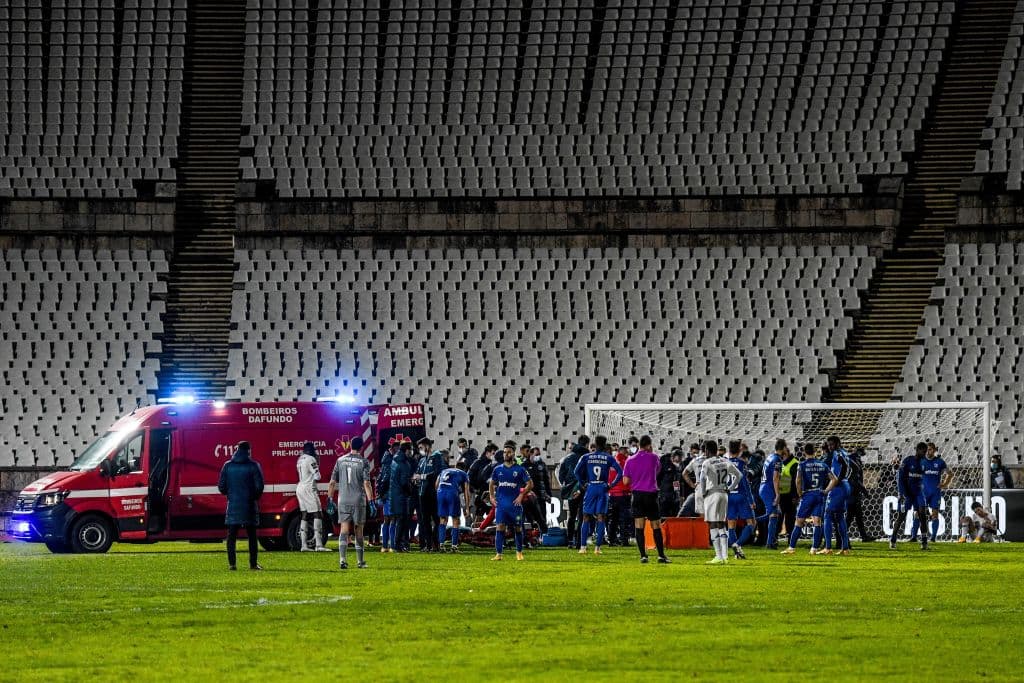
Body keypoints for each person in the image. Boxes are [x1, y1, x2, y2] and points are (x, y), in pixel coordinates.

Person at [217, 440, 264, 571]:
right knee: (252, 536)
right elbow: (260, 486)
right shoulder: (254, 466)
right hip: (249, 505)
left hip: (233, 505)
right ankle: (253, 564)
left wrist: (231, 495)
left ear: (237, 449)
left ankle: (232, 564)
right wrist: (253, 497)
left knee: (231, 536)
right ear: (248, 450)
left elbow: (221, 487)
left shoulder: (227, 466)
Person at [623, 435, 670, 564]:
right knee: (656, 525)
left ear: (639, 445)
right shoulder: (654, 458)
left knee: (639, 526)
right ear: (649, 445)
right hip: (651, 494)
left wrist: (636, 478)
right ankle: (661, 556)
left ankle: (643, 556)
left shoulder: (630, 460)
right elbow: (657, 471)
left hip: (637, 494)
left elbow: (625, 481)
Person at [572, 435, 623, 555]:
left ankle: (583, 547)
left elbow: (576, 471)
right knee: (601, 517)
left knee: (585, 516)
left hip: (591, 487)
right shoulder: (609, 458)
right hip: (603, 487)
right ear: (605, 445)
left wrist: (582, 483)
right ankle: (597, 548)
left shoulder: (586, 457)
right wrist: (611, 485)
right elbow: (620, 472)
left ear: (595, 444)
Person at [329, 436, 374, 569]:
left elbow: (332, 482)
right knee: (358, 530)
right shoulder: (363, 462)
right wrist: (371, 501)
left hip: (343, 499)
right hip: (358, 500)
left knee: (344, 529)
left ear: (350, 446)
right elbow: (366, 483)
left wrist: (330, 499)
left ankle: (342, 560)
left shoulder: (340, 460)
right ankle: (360, 562)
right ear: (361, 447)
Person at [781, 443, 829, 555]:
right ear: (815, 451)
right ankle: (814, 549)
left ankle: (791, 548)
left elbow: (797, 481)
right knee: (817, 522)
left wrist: (799, 494)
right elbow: (834, 479)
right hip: (819, 494)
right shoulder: (822, 464)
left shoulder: (802, 465)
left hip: (807, 495)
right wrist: (826, 490)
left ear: (804, 452)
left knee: (799, 522)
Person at [489, 440, 533, 561]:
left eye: (509, 452)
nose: (506, 454)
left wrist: (521, 496)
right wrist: (492, 497)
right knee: (500, 527)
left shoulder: (520, 469)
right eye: (504, 452)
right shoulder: (497, 469)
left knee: (518, 528)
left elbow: (530, 484)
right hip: (501, 505)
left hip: (515, 506)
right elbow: (492, 483)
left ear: (513, 454)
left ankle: (519, 552)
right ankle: (499, 554)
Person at [701, 439, 743, 565]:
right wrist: (730, 488)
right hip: (724, 494)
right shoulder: (725, 460)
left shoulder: (707, 462)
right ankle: (725, 556)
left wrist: (703, 492)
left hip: (712, 493)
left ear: (707, 450)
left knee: (713, 524)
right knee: (721, 524)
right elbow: (739, 475)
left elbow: (702, 479)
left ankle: (718, 556)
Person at [891, 443, 930, 551]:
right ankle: (893, 539)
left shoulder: (925, 463)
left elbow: (924, 478)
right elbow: (900, 478)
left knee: (923, 515)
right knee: (901, 517)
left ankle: (924, 541)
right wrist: (902, 493)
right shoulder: (908, 461)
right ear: (917, 450)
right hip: (907, 494)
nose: (924, 453)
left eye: (926, 451)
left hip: (918, 493)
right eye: (923, 451)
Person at [915, 442, 952, 543]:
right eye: (927, 449)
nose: (928, 451)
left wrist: (944, 484)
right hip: (923, 492)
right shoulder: (921, 461)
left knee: (934, 514)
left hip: (935, 492)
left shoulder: (940, 462)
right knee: (918, 514)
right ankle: (913, 537)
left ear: (935, 450)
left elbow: (950, 474)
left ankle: (933, 538)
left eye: (930, 449)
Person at [820, 436, 852, 556]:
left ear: (838, 443)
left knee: (827, 514)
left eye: (832, 444)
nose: (830, 447)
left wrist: (838, 479)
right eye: (829, 445)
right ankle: (845, 548)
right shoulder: (844, 452)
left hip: (839, 487)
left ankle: (828, 548)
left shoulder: (837, 453)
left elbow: (843, 465)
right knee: (839, 517)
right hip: (845, 486)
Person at [725, 440, 756, 560]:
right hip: (741, 496)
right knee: (751, 523)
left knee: (731, 525)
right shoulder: (742, 463)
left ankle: (736, 552)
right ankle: (737, 545)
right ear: (739, 450)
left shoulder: (724, 463)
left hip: (729, 496)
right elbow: (744, 483)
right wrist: (751, 500)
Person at [295, 441, 328, 552]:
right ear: (310, 450)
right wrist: (318, 462)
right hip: (309, 488)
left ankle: (304, 545)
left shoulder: (300, 459)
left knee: (304, 514)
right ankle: (319, 545)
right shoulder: (311, 459)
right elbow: (318, 476)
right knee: (317, 513)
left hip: (300, 487)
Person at [558, 435, 589, 549]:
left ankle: (570, 540)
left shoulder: (567, 458)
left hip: (571, 489)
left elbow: (560, 475)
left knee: (571, 515)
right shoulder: (587, 457)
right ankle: (579, 542)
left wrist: (567, 485)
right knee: (582, 516)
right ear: (586, 445)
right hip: (583, 489)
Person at [436, 452, 471, 552]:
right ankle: (454, 547)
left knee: (442, 520)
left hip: (440, 493)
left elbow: (436, 485)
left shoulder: (444, 470)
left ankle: (441, 545)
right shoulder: (464, 474)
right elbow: (466, 491)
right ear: (464, 469)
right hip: (452, 493)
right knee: (456, 520)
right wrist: (467, 508)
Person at [415, 438, 444, 552]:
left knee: (436, 519)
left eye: (421, 447)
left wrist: (423, 477)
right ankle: (428, 545)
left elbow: (438, 472)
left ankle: (435, 543)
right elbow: (417, 472)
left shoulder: (437, 457)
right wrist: (415, 479)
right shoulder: (422, 460)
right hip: (422, 493)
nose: (420, 450)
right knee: (424, 520)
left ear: (427, 446)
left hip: (433, 493)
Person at [388, 442, 415, 552]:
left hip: (394, 494)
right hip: (401, 496)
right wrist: (410, 491)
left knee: (398, 520)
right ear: (407, 450)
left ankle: (397, 544)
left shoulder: (395, 460)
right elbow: (404, 482)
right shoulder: (404, 463)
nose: (412, 452)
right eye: (411, 450)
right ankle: (398, 545)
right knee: (402, 520)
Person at [758, 441, 785, 549]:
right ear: (782, 448)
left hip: (764, 487)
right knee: (773, 515)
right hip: (768, 489)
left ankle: (771, 540)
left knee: (776, 513)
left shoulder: (770, 456)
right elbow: (775, 477)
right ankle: (770, 543)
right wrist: (778, 494)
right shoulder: (777, 460)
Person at [846, 447, 873, 542]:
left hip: (853, 491)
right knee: (850, 516)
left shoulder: (851, 459)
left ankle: (864, 536)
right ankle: (841, 536)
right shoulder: (854, 461)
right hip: (853, 492)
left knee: (858, 516)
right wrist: (865, 491)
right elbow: (856, 479)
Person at [607, 443, 632, 545]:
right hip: (623, 493)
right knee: (624, 518)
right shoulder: (627, 461)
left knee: (613, 519)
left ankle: (611, 540)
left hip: (612, 494)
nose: (627, 452)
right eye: (626, 450)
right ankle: (624, 540)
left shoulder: (611, 461)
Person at [377, 440, 398, 553]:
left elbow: (381, 479)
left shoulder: (385, 461)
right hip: (390, 493)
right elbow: (388, 479)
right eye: (397, 449)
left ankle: (384, 546)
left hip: (385, 494)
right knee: (392, 519)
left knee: (386, 519)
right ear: (392, 449)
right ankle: (392, 546)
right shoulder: (391, 462)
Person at [525, 446, 552, 533]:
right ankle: (531, 536)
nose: (537, 456)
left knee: (542, 517)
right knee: (529, 518)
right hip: (529, 496)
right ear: (531, 454)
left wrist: (549, 494)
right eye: (536, 454)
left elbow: (546, 481)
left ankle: (543, 535)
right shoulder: (524, 465)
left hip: (540, 496)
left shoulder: (542, 465)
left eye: (539, 455)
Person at [681, 443, 707, 519]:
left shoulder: (695, 460)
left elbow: (684, 473)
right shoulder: (713, 460)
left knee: (702, 516)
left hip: (699, 489)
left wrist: (693, 485)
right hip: (711, 488)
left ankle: (703, 530)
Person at [657, 449, 682, 519]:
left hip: (672, 495)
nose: (678, 462)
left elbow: (676, 482)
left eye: (679, 460)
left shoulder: (677, 467)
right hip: (665, 495)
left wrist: (678, 494)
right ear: (672, 458)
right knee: (664, 515)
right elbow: (658, 477)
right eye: (677, 460)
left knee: (673, 515)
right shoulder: (666, 465)